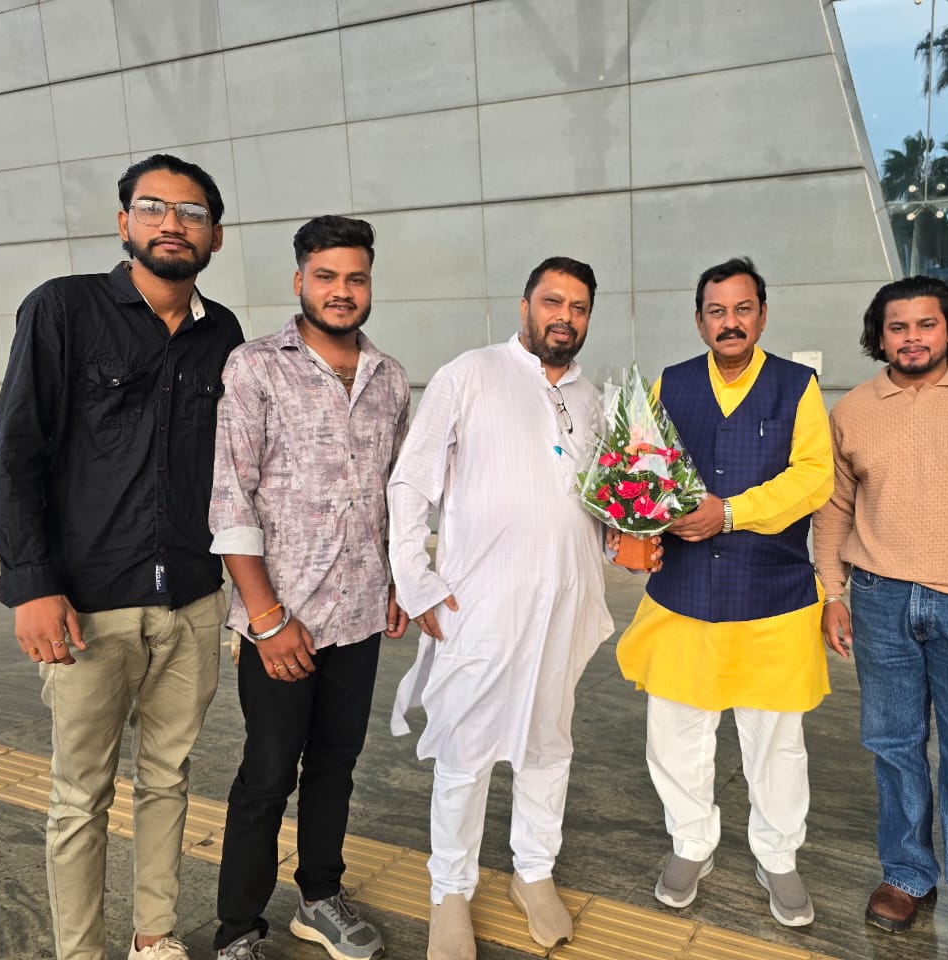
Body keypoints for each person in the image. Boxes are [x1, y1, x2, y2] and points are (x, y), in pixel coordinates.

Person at [0, 154, 242, 960]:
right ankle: (81, 951)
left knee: (169, 778)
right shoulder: (63, 309)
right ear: (124, 222)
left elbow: (234, 471)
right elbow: (13, 457)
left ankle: (154, 937)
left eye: (192, 213)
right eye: (153, 207)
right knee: (79, 797)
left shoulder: (223, 335)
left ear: (216, 237)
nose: (173, 224)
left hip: (191, 600)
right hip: (89, 605)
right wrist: (31, 585)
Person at [387, 257, 614, 960]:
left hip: (566, 602)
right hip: (480, 603)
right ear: (525, 306)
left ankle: (533, 872)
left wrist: (627, 541)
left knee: (549, 743)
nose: (564, 317)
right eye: (553, 301)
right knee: (466, 749)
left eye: (578, 307)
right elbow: (410, 482)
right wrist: (416, 580)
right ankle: (449, 891)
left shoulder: (593, 399)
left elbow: (602, 501)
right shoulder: (470, 374)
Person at [208, 216, 409, 960]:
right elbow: (230, 497)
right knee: (267, 774)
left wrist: (398, 576)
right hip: (280, 622)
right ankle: (237, 930)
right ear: (300, 281)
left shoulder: (390, 378)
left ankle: (320, 898)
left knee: (336, 765)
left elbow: (397, 492)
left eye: (356, 278)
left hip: (359, 615)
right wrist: (266, 617)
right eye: (326, 277)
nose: (341, 291)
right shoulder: (256, 367)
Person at [615, 256, 834, 927]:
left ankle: (778, 856)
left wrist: (732, 512)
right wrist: (633, 526)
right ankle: (691, 843)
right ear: (699, 320)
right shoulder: (670, 383)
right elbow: (641, 469)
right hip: (683, 592)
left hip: (774, 594)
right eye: (717, 311)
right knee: (676, 731)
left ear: (762, 316)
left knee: (776, 742)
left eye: (742, 309)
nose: (729, 322)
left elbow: (814, 477)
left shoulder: (796, 386)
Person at [813, 276, 948, 960]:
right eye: (896, 327)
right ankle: (906, 874)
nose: (911, 338)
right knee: (893, 745)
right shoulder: (852, 410)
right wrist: (832, 593)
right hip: (879, 599)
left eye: (925, 325)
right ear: (880, 336)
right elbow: (835, 509)